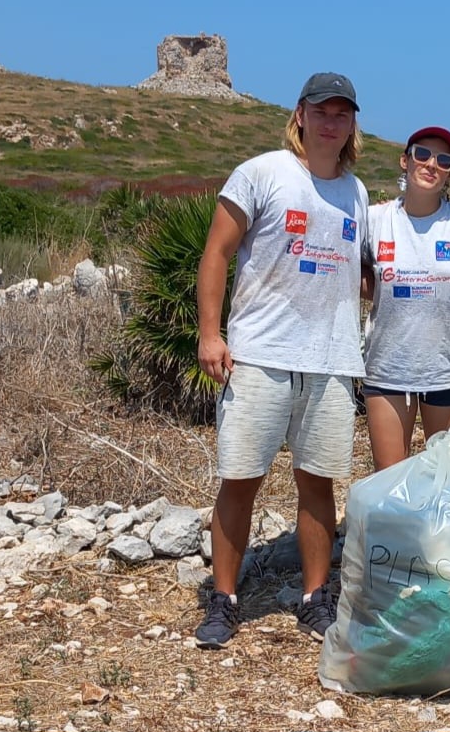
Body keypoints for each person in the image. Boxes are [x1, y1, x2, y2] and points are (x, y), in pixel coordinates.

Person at [193, 72, 369, 649]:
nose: (330, 123)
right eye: (321, 111)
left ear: (353, 124)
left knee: (317, 483)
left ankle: (316, 598)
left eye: (341, 114)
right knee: (240, 480)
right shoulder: (262, 173)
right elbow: (216, 252)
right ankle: (224, 599)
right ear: (300, 115)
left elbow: (361, 271)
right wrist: (210, 334)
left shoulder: (357, 193)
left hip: (330, 361)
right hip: (260, 356)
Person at [361, 126, 450, 470]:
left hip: (449, 365)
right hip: (388, 366)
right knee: (389, 478)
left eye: (444, 160)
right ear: (405, 161)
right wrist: (387, 289)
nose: (432, 164)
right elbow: (352, 271)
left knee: (444, 475)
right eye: (423, 154)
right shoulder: (375, 219)